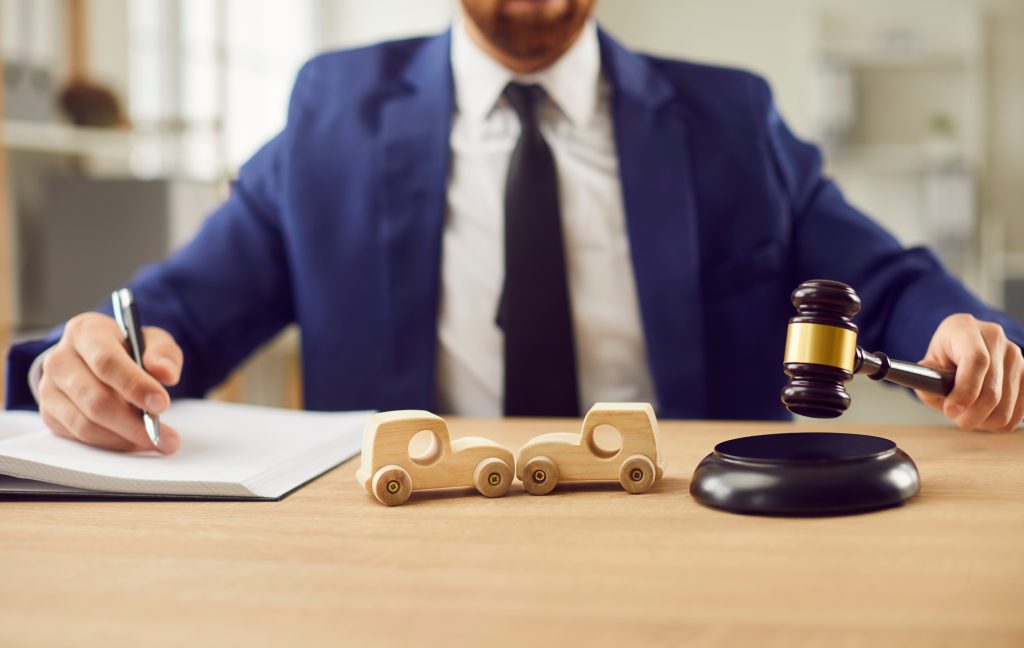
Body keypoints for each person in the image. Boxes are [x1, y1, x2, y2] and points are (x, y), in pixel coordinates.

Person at [5, 0, 1023, 454]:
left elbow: (887, 282)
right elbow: (183, 307)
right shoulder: (332, 113)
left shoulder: (729, 119)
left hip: (688, 534)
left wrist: (956, 332)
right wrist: (88, 357)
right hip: (410, 538)